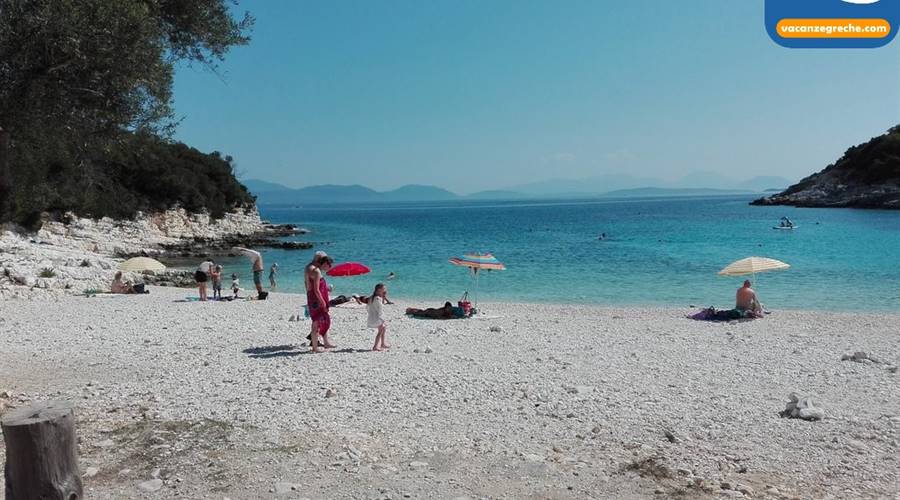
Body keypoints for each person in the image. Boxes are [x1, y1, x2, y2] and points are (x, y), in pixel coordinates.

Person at [305, 254, 335, 353]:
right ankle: (315, 348)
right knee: (317, 323)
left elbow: (309, 286)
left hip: (313, 298)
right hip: (317, 300)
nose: (329, 267)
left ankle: (325, 342)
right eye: (329, 265)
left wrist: (326, 289)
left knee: (322, 320)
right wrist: (323, 302)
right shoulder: (316, 271)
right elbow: (316, 290)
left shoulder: (309, 267)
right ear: (324, 263)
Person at [366, 283, 390, 351]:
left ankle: (383, 343)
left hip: (372, 317)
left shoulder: (372, 297)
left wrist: (383, 297)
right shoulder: (377, 298)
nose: (385, 290)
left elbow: (368, 307)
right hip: (376, 318)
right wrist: (382, 319)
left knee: (383, 328)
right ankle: (375, 346)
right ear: (379, 290)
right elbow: (380, 309)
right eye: (384, 289)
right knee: (381, 330)